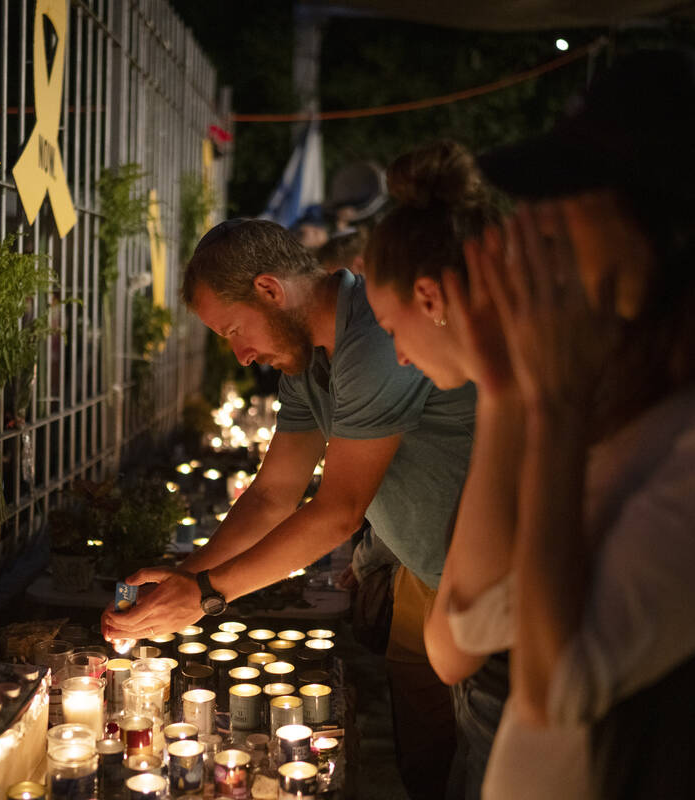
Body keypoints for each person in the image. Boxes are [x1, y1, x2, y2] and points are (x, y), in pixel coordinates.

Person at [436, 47, 695, 799]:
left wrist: (554, 409)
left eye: (571, 193)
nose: (546, 224)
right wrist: (503, 394)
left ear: (663, 216)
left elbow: (557, 686)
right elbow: (464, 626)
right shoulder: (640, 378)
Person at [102, 218, 476, 799]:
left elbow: (340, 510)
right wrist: (190, 575)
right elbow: (274, 494)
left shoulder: (374, 337)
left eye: (234, 330)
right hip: (429, 578)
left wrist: (205, 596)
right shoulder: (310, 363)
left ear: (270, 290)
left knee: (489, 767)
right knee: (429, 768)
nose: (243, 355)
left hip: (495, 577)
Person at [361, 139, 510, 800]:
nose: (396, 355)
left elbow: (453, 650)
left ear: (428, 298)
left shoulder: (520, 402)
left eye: (390, 327)